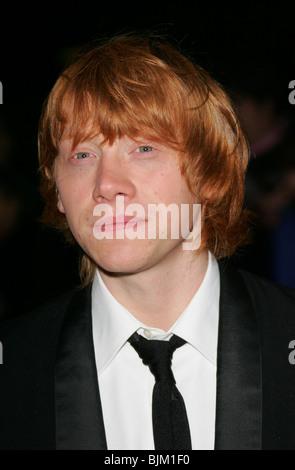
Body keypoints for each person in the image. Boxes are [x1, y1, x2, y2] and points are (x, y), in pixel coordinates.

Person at [1, 34, 295, 451]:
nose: (106, 185)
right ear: (57, 190)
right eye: (82, 155)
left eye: (143, 147)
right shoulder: (13, 369)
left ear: (209, 174)